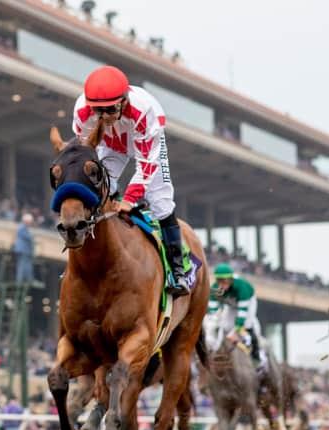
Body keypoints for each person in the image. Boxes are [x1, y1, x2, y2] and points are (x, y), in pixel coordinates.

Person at [72, 65, 188, 296]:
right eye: (98, 111)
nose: (103, 117)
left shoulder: (143, 111)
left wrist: (130, 199)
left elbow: (146, 164)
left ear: (124, 101)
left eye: (109, 109)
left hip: (145, 146)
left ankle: (178, 271)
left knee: (161, 201)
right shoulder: (82, 112)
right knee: (95, 187)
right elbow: (84, 153)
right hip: (111, 146)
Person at [208, 263, 264, 369]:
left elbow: (242, 312)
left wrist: (237, 329)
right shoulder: (215, 289)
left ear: (230, 279)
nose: (221, 285)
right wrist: (213, 318)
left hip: (248, 303)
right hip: (231, 306)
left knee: (246, 326)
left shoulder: (242, 287)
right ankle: (216, 351)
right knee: (224, 326)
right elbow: (212, 309)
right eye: (219, 281)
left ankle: (256, 358)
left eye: (224, 281)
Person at [13, 213, 35, 283]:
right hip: (23, 250)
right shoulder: (22, 228)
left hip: (25, 251)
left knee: (26, 264)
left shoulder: (24, 228)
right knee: (22, 265)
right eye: (30, 222)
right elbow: (28, 237)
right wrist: (32, 237)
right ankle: (20, 280)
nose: (30, 224)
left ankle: (27, 279)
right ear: (26, 221)